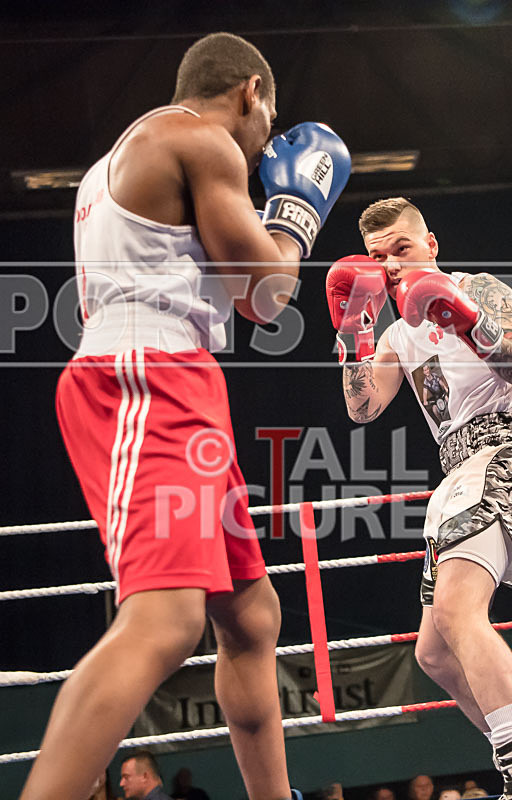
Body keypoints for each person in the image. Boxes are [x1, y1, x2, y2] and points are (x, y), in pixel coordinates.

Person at [20, 31, 350, 800]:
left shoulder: (119, 161)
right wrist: (297, 212)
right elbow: (264, 296)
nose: (266, 143)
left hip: (171, 375)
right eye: (268, 120)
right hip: (149, 376)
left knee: (251, 616)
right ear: (249, 94)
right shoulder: (199, 138)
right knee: (167, 623)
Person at [326, 197, 512, 800]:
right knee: (434, 652)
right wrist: (352, 329)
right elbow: (362, 408)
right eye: (377, 259)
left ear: (431, 244)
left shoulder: (477, 287)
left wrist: (466, 319)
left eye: (401, 251)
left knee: (461, 614)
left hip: (502, 448)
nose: (390, 268)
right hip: (454, 472)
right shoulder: (392, 334)